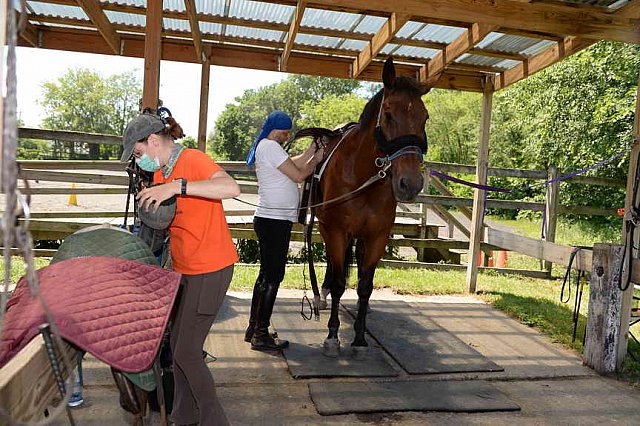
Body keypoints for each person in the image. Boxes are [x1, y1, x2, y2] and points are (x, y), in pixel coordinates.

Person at [121, 111, 239, 426]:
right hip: (185, 270)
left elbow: (231, 188)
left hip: (211, 267)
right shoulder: (160, 175)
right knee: (177, 346)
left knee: (187, 352)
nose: (139, 160)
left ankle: (215, 420)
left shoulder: (193, 161)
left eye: (138, 153)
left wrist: (178, 187)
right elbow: (162, 230)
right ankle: (184, 415)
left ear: (154, 141)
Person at [244, 110, 323, 351]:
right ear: (277, 130)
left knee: (266, 276)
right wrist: (318, 158)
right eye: (286, 132)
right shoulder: (270, 146)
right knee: (273, 277)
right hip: (274, 220)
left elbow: (294, 163)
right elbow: (299, 174)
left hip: (273, 219)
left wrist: (311, 151)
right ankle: (260, 334)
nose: (287, 136)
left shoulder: (269, 147)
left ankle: (254, 327)